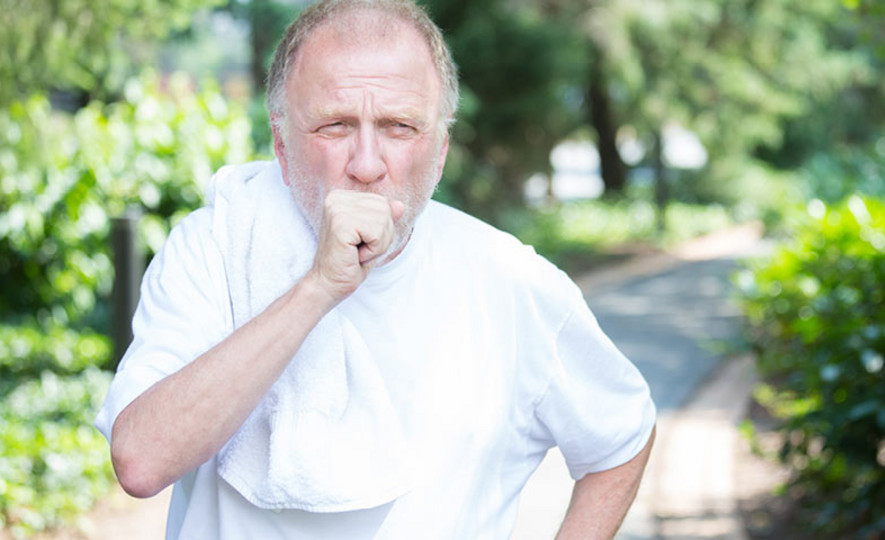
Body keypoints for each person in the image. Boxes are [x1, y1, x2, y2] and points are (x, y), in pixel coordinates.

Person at [95, 0, 657, 538]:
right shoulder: (215, 247)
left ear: (440, 151)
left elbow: (620, 439)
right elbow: (141, 462)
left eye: (399, 127)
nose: (366, 165)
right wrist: (319, 287)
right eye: (335, 126)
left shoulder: (511, 281)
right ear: (282, 146)